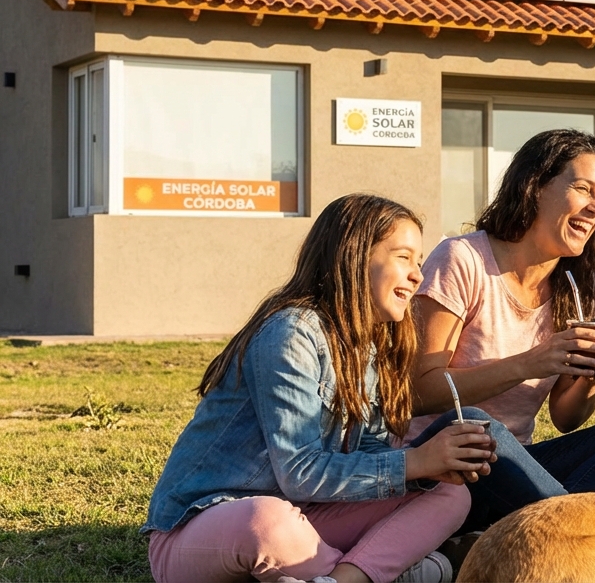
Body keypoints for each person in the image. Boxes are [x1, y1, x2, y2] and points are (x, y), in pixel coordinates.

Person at [143, 194, 489, 583]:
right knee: (268, 521)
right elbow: (299, 471)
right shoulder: (290, 333)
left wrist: (429, 469)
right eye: (403, 257)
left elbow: (367, 453)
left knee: (447, 494)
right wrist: (415, 461)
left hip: (306, 515)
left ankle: (342, 577)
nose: (417, 276)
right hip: (208, 527)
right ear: (354, 257)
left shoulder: (369, 347)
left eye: (419, 262)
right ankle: (378, 570)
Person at [412, 128, 595, 530]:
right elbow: (418, 392)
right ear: (534, 187)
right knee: (476, 423)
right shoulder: (462, 259)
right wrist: (530, 363)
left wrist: (590, 377)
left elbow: (566, 418)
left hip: (517, 469)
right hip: (445, 464)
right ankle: (571, 531)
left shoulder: (580, 286)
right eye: (583, 189)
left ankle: (539, 526)